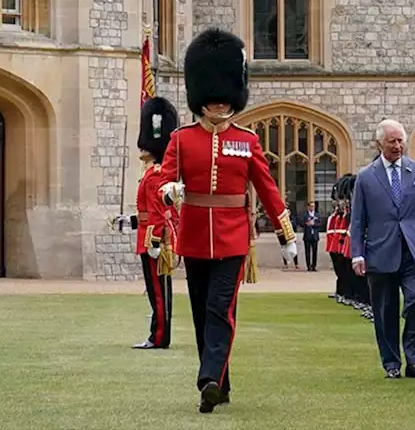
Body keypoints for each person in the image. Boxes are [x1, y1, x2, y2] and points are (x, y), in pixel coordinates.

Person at [158, 28, 298, 414]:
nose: (219, 106)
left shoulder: (247, 140)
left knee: (221, 307)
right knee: (202, 311)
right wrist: (169, 191)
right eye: (213, 101)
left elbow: (267, 188)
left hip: (234, 238)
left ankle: (210, 380)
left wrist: (286, 233)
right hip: (194, 235)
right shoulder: (183, 139)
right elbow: (165, 177)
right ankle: (223, 378)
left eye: (224, 101)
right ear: (200, 100)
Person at [351, 119, 415, 381]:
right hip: (380, 251)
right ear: (379, 144)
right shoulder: (365, 177)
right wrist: (357, 253)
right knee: (385, 311)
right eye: (392, 141)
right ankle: (391, 362)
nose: (398, 146)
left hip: (414, 250)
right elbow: (358, 219)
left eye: (400, 140)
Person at [111, 96, 180, 350]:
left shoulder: (157, 175)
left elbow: (160, 212)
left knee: (159, 293)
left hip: (156, 242)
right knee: (155, 292)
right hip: (149, 237)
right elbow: (146, 211)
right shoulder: (151, 173)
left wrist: (153, 242)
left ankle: (159, 337)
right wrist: (129, 221)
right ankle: (157, 333)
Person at [299, 203, 322, 272]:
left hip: (315, 236)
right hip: (307, 236)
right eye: (311, 206)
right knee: (307, 252)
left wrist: (314, 224)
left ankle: (314, 266)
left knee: (315, 252)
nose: (312, 208)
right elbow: (301, 223)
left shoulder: (317, 215)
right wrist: (306, 224)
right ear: (308, 207)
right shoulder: (305, 215)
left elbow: (320, 223)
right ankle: (308, 266)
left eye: (313, 206)